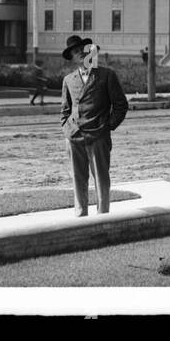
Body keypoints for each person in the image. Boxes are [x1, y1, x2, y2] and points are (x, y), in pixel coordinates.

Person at [60, 35, 129, 217]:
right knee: (78, 178)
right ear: (72, 58)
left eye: (82, 50)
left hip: (98, 135)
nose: (80, 55)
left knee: (101, 178)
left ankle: (102, 216)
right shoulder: (68, 80)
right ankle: (80, 215)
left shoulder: (106, 75)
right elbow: (65, 109)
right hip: (74, 136)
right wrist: (66, 128)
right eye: (75, 53)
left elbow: (121, 105)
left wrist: (108, 126)